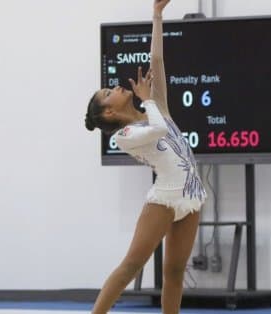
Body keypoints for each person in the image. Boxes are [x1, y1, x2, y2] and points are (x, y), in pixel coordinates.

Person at [84, 1, 207, 313]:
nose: (115, 86)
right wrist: (148, 100)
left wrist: (157, 15)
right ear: (109, 111)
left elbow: (157, 59)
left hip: (191, 198)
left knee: (175, 272)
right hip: (163, 200)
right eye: (108, 91)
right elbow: (156, 129)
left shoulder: (155, 105)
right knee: (131, 266)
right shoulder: (123, 137)